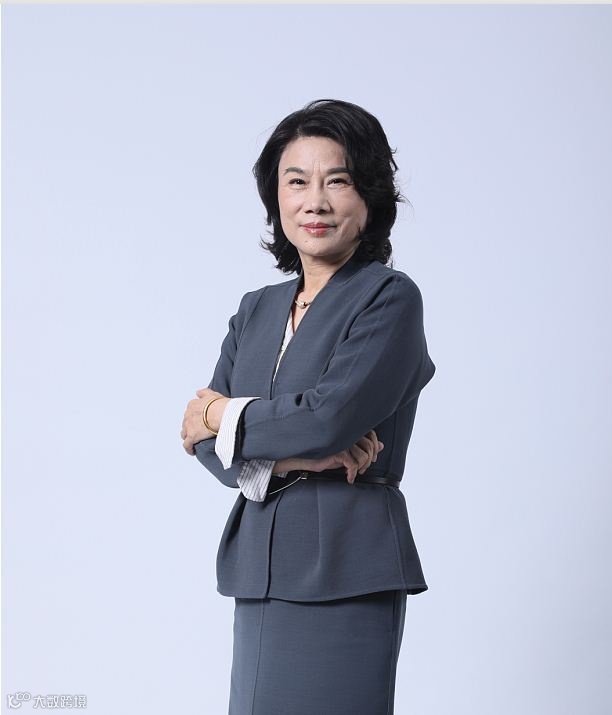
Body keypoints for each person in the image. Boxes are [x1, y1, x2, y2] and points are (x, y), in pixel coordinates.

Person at [180, 99, 436, 715]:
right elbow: (208, 451)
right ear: (276, 198)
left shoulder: (388, 298)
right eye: (296, 182)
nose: (314, 202)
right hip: (259, 563)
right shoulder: (256, 309)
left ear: (369, 196)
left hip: (347, 561)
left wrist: (222, 416)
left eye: (337, 181)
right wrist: (301, 458)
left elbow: (327, 418)